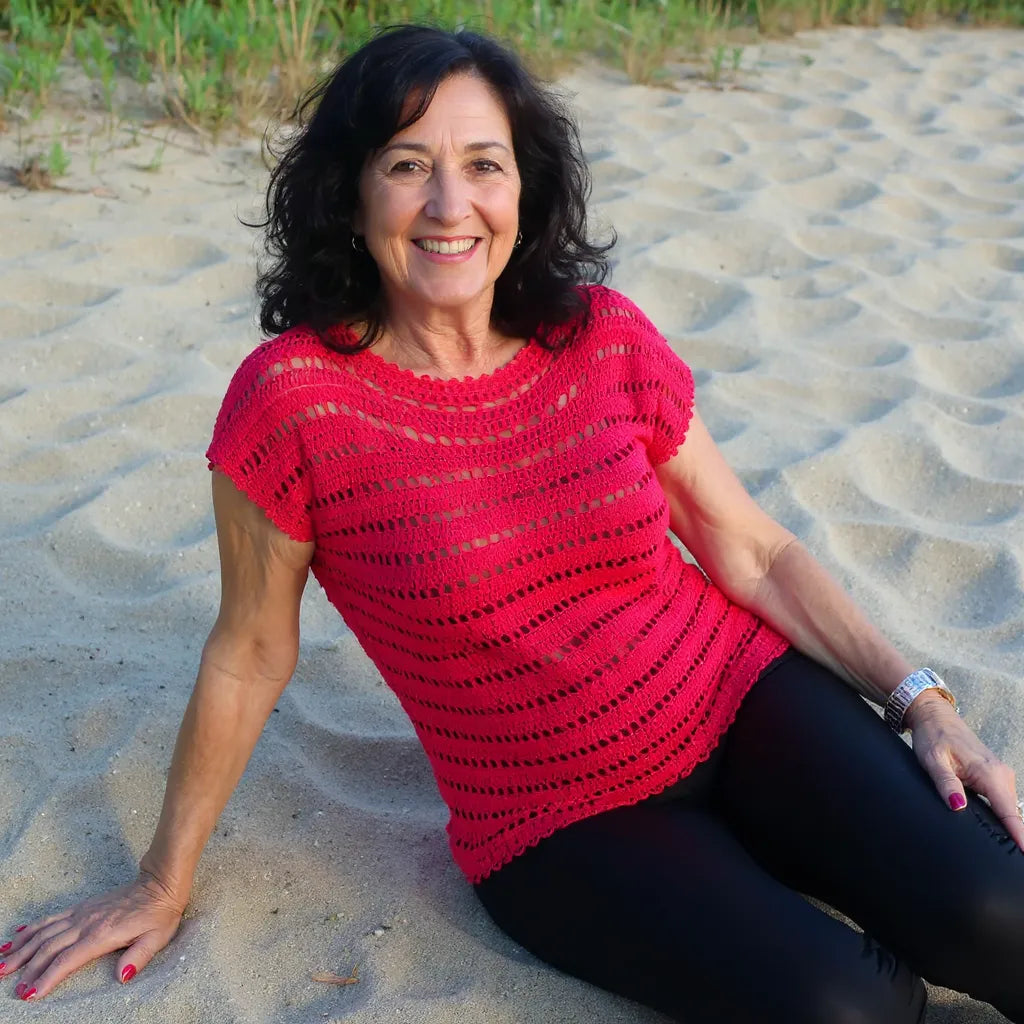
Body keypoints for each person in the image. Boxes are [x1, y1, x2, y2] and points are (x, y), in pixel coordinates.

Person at [3, 24, 1023, 1021]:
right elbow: (250, 650)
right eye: (408, 164)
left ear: (522, 186)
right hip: (560, 818)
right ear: (351, 194)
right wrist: (161, 879)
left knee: (997, 913)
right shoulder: (293, 402)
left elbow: (748, 549)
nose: (451, 205)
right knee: (847, 1003)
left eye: (483, 164)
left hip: (735, 693)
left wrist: (920, 700)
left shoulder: (599, 335)